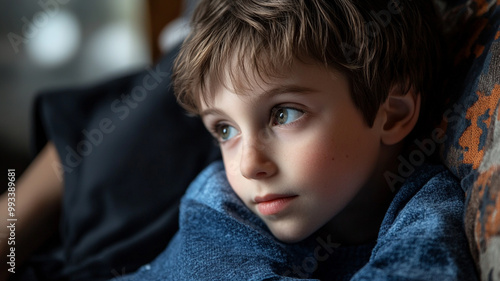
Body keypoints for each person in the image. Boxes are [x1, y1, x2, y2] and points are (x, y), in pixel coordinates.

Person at [114, 0, 479, 280]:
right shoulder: (219, 205)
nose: (249, 165)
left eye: (284, 114)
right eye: (225, 130)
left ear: (393, 114)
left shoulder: (431, 210)